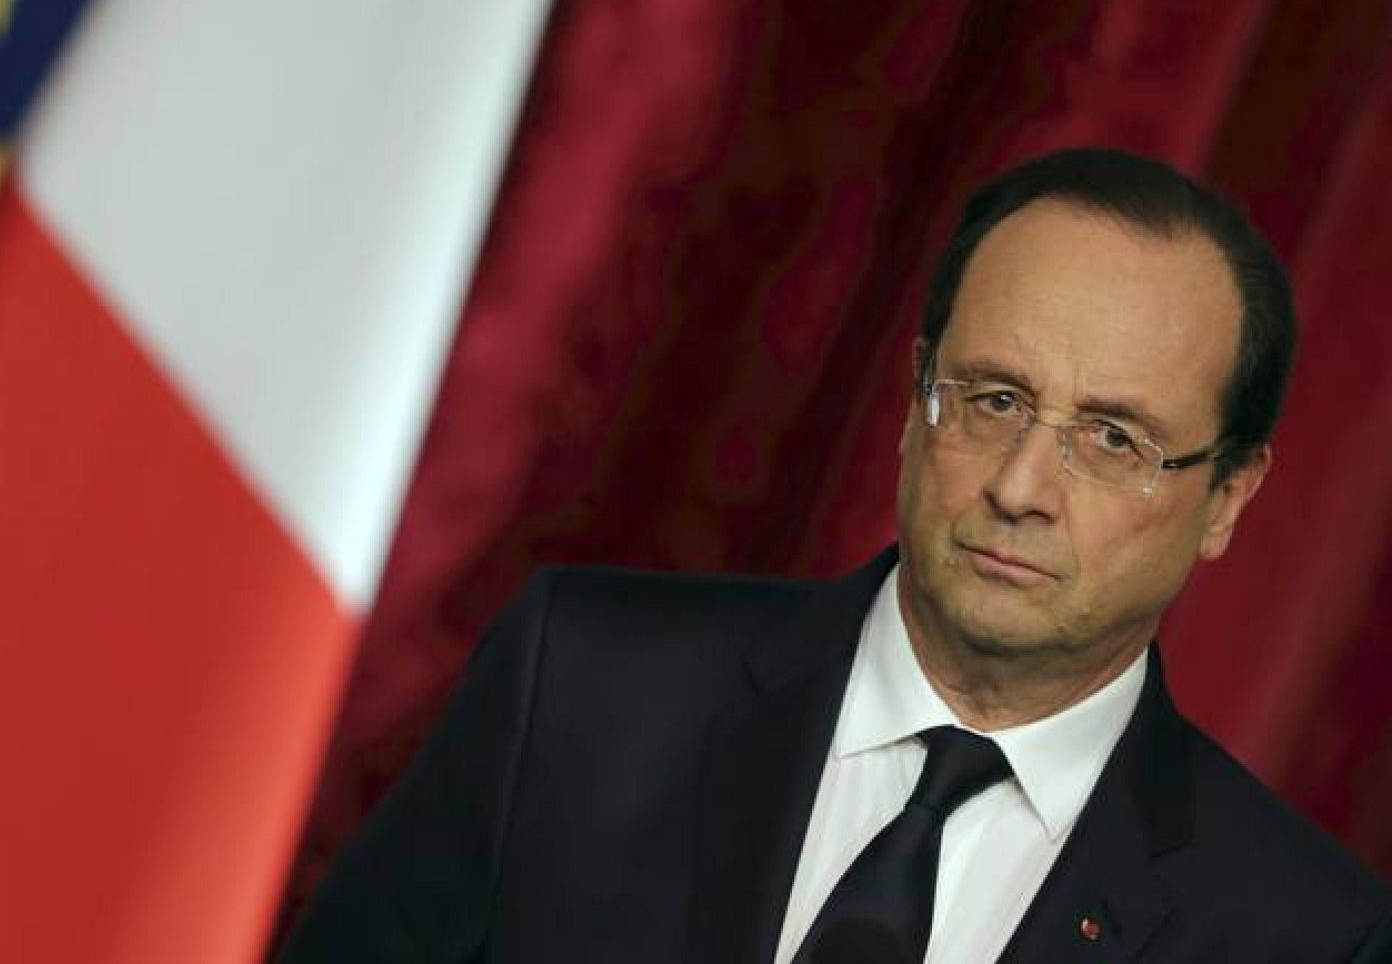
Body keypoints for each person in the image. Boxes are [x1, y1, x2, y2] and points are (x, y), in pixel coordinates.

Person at [280, 148, 1392, 962]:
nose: (1017, 486)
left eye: (1113, 440)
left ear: (1225, 497)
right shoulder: (579, 682)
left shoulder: (1302, 930)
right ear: (916, 402)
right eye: (992, 398)